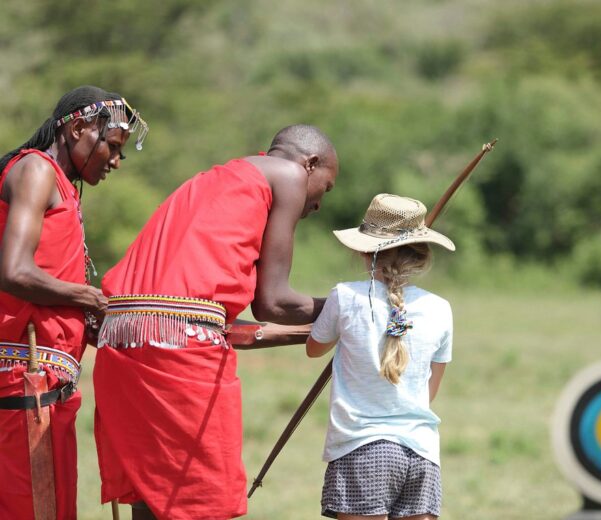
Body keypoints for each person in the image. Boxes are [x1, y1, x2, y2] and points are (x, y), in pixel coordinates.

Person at [93, 124, 338, 520]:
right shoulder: (289, 174)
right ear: (309, 164)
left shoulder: (211, 180)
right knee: (201, 502)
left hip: (122, 341)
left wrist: (323, 329)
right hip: (180, 347)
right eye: (325, 188)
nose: (317, 205)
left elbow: (212, 316)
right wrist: (356, 305)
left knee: (153, 499)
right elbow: (272, 302)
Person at [0, 85, 147, 520]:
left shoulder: (61, 185)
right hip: (22, 377)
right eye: (114, 147)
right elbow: (14, 272)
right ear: (78, 128)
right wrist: (89, 298)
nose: (117, 161)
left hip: (49, 385)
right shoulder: (36, 170)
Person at [307, 193, 455, 520]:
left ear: (363, 249)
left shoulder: (344, 296)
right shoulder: (440, 308)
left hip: (360, 450)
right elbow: (429, 391)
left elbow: (314, 348)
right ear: (421, 253)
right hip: (422, 454)